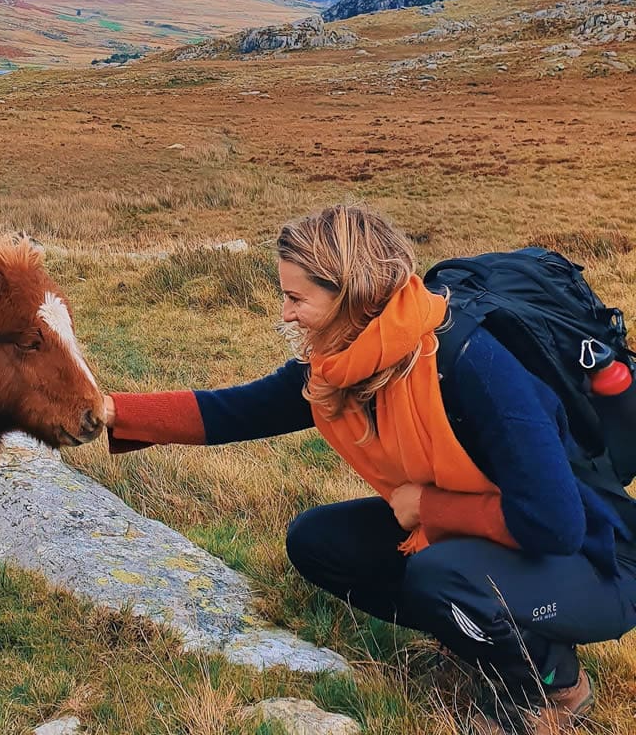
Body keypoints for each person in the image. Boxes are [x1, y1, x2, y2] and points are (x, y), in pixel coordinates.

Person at [102, 205, 636, 735]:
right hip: (503, 540)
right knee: (318, 541)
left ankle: (554, 685)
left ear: (349, 296)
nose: (285, 314)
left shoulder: (472, 364)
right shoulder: (344, 364)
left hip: (597, 558)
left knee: (441, 577)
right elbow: (234, 410)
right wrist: (104, 411)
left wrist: (426, 507)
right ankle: (482, 634)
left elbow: (556, 523)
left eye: (296, 298)